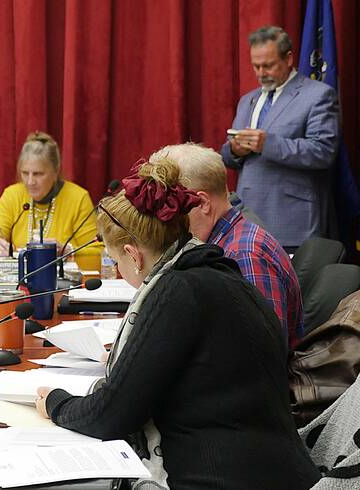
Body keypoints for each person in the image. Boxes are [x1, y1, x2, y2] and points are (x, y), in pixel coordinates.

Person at [35, 155, 320, 489]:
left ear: (133, 255)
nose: (120, 271)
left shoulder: (178, 290)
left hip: (220, 476)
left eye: (115, 261)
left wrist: (55, 402)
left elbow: (113, 414)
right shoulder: (218, 272)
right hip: (272, 468)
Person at [162, 142, 304, 349]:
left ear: (201, 203)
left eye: (169, 207)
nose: (164, 219)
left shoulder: (244, 255)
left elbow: (262, 356)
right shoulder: (222, 242)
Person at [221, 25, 340, 252]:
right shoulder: (248, 100)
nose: (260, 72)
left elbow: (323, 152)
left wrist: (267, 144)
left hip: (292, 220)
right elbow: (227, 156)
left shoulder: (318, 95)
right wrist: (236, 150)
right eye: (256, 66)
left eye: (268, 65)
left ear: (288, 58)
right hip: (246, 220)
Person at [0, 131, 103, 264]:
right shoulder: (12, 195)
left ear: (56, 171)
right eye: (25, 173)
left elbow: (97, 250)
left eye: (38, 174)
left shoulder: (78, 198)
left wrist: (67, 250)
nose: (30, 181)